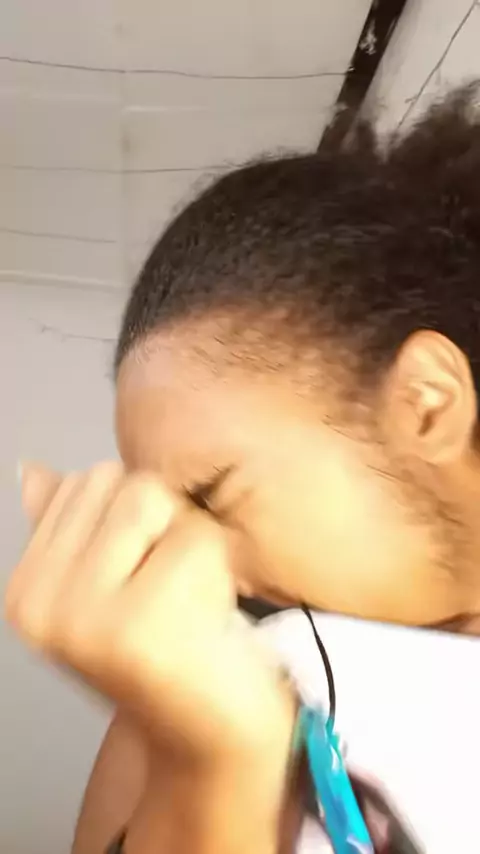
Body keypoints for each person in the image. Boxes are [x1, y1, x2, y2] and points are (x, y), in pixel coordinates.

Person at [6, 85, 480, 853]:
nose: (201, 566)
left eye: (213, 497)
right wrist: (214, 769)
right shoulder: (181, 703)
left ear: (427, 405)